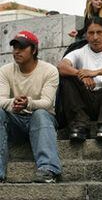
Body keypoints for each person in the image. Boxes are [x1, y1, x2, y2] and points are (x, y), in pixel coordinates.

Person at [0, 31, 62, 183]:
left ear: (34, 50)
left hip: (42, 120)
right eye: (14, 47)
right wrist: (14, 103)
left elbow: (47, 102)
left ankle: (48, 169)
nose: (16, 51)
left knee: (40, 113)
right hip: (15, 120)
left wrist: (28, 103)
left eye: (21, 48)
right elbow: (1, 100)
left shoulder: (49, 70)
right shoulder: (5, 70)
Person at [57, 17, 102, 142]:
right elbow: (61, 66)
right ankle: (79, 125)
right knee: (67, 78)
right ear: (86, 35)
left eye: (99, 32)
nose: (95, 37)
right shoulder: (79, 51)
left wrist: (96, 72)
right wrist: (81, 74)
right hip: (85, 99)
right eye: (91, 33)